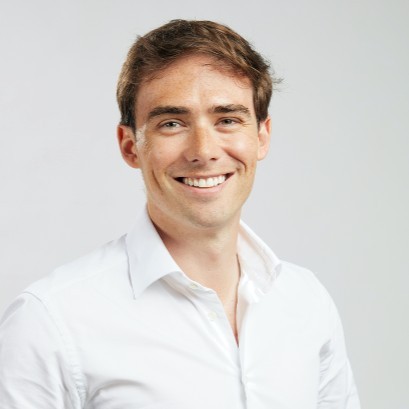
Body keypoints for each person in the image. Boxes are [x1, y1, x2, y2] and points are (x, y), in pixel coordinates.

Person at [0, 19, 360, 408]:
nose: (203, 151)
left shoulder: (306, 301)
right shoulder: (51, 321)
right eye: (172, 124)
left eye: (227, 120)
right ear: (130, 146)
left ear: (261, 136)